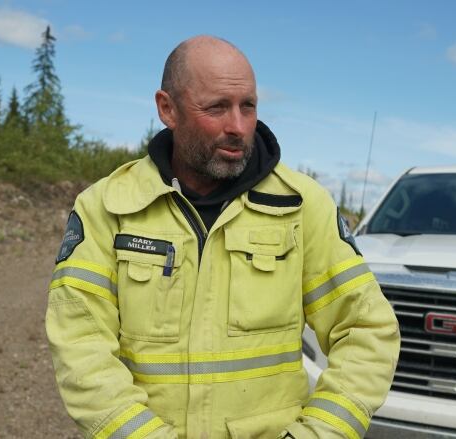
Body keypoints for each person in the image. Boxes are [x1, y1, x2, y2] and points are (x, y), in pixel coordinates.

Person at [46, 35, 400, 439]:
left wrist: (319, 433)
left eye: (247, 106)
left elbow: (367, 330)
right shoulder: (107, 207)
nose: (238, 127)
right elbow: (80, 344)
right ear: (168, 109)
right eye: (216, 107)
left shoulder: (304, 207)